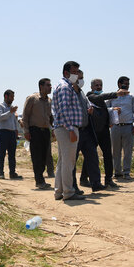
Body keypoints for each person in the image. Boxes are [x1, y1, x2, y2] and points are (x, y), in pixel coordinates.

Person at [84, 79, 128, 188]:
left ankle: (108, 179)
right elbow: (99, 98)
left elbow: (101, 110)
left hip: (104, 131)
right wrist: (115, 94)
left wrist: (112, 110)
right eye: (96, 85)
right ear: (92, 87)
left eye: (100, 85)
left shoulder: (101, 100)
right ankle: (84, 178)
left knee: (108, 154)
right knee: (91, 156)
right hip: (93, 131)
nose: (99, 87)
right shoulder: (90, 96)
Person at [52, 61, 85, 201]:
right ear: (67, 73)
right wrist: (71, 129)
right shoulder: (65, 87)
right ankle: (68, 192)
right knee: (68, 162)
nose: (77, 75)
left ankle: (59, 191)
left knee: (62, 161)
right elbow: (64, 110)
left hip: (63, 127)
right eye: (75, 72)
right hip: (67, 128)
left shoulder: (65, 86)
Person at [72, 70, 106, 194]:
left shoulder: (81, 93)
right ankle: (73, 186)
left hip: (86, 131)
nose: (81, 81)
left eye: (82, 78)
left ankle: (96, 183)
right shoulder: (70, 93)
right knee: (72, 160)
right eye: (79, 78)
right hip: (76, 130)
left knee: (93, 158)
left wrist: (89, 110)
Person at [23, 78, 54, 190]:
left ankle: (41, 179)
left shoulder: (49, 101)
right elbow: (25, 116)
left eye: (50, 85)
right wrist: (26, 131)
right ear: (41, 86)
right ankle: (39, 181)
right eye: (48, 85)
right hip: (34, 131)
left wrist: (53, 129)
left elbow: (50, 118)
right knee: (37, 157)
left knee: (45, 156)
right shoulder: (32, 99)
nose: (50, 87)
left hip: (46, 132)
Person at [107, 76, 134, 180]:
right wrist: (113, 109)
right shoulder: (112, 96)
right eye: (124, 84)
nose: (126, 86)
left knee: (128, 151)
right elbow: (105, 107)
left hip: (128, 126)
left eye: (128, 84)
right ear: (119, 84)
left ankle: (126, 172)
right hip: (115, 127)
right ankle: (117, 172)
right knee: (115, 151)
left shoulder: (131, 96)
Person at [0, 89, 22, 180]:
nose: (13, 99)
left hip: (12, 133)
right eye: (11, 97)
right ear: (6, 96)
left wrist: (16, 130)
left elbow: (14, 120)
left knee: (12, 154)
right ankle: (1, 173)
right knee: (2, 153)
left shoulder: (12, 108)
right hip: (3, 132)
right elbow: (0, 118)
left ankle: (12, 173)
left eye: (13, 97)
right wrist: (10, 112)